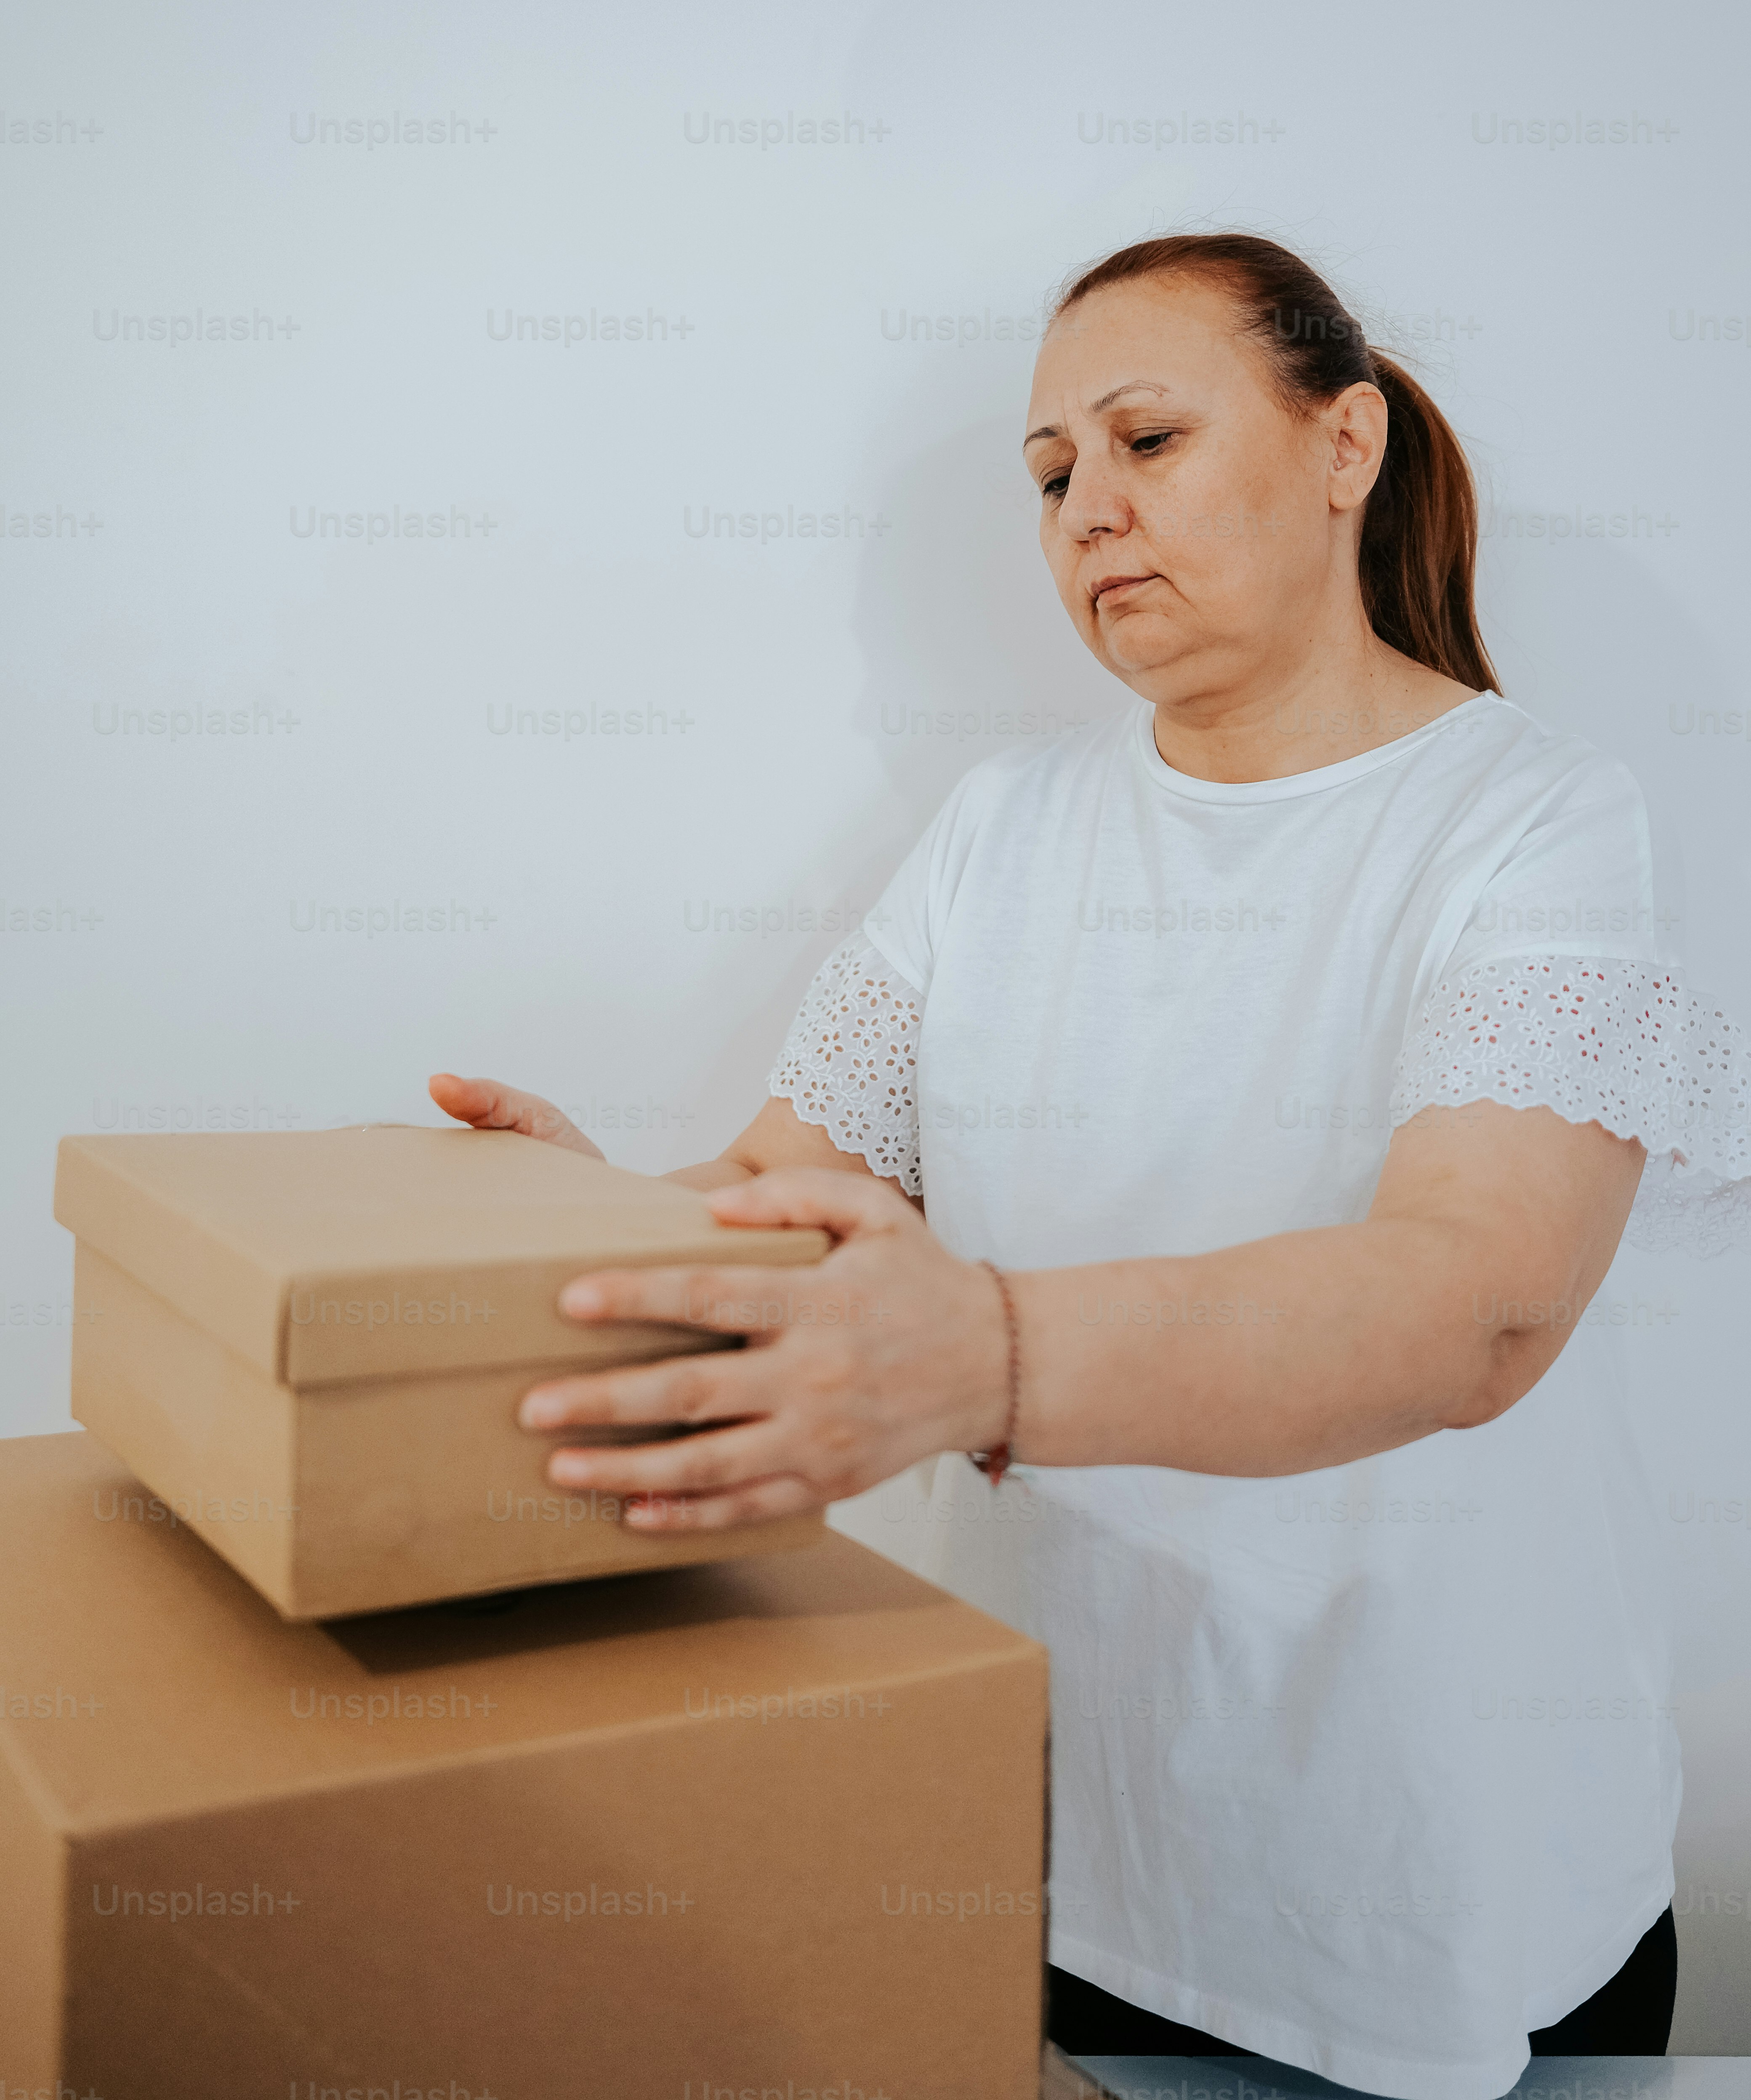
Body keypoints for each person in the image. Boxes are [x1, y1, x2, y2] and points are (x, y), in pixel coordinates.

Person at [431, 234, 1747, 2100]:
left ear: (1341, 442)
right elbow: (781, 1190)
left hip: (1423, 1867)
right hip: (1083, 1848)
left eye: (1145, 439)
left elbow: (1477, 1306)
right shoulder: (1004, 827)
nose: (1088, 513)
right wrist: (578, 1211)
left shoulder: (1529, 819)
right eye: (1051, 476)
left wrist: (982, 1356)